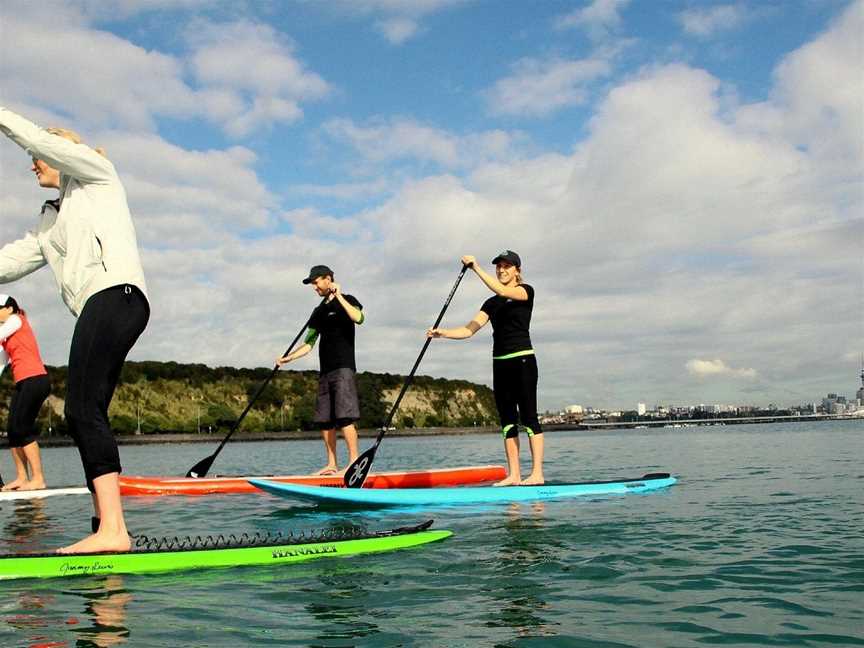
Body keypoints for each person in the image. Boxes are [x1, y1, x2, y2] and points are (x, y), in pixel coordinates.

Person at [0, 106, 149, 553]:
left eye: (39, 158)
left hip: (115, 294)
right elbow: (11, 261)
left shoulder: (97, 175)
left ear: (63, 153)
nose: (33, 164)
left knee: (81, 409)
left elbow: (41, 143)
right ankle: (106, 521)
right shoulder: (53, 218)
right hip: (100, 305)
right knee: (88, 412)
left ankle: (114, 532)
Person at [428, 251, 544, 485]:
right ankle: (514, 475)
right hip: (500, 363)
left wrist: (475, 267)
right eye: (499, 267)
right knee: (508, 421)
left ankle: (537, 474)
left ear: (517, 271)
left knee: (529, 417)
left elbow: (502, 290)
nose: (502, 270)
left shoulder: (525, 291)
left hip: (522, 360)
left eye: (507, 266)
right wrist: (443, 333)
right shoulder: (491, 303)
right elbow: (469, 330)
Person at [277, 265, 363, 475]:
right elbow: (308, 343)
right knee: (325, 420)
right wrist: (288, 358)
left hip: (343, 367)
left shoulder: (349, 299)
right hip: (325, 370)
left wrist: (339, 296)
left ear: (328, 279)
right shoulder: (318, 312)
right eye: (312, 284)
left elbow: (359, 318)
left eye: (316, 282)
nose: (314, 287)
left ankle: (354, 462)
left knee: (345, 417)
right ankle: (332, 464)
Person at [0, 295, 51, 491]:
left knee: (22, 428)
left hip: (36, 379)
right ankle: (22, 477)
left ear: (10, 308)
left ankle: (38, 479)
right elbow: (2, 363)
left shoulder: (17, 319)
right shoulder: (6, 338)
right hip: (22, 382)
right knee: (13, 430)